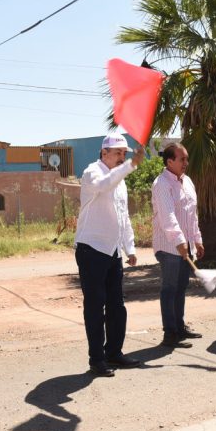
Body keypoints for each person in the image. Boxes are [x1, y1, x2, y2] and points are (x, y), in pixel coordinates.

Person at [74, 133, 145, 376]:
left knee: (117, 306)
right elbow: (104, 185)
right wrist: (131, 165)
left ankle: (114, 352)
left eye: (124, 154)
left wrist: (130, 247)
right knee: (95, 306)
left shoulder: (120, 180)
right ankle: (97, 359)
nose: (121, 158)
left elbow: (123, 216)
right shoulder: (92, 172)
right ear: (104, 152)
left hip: (112, 251)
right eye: (117, 153)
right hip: (91, 249)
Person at [151, 143, 204, 349]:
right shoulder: (162, 184)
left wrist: (196, 240)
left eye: (186, 159)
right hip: (170, 247)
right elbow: (168, 217)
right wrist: (180, 242)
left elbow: (192, 215)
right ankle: (170, 333)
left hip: (186, 246)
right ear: (169, 161)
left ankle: (179, 327)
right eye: (182, 159)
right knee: (170, 288)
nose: (186, 163)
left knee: (181, 287)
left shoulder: (187, 181)